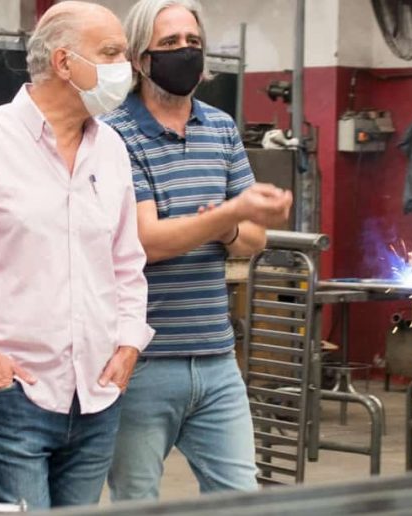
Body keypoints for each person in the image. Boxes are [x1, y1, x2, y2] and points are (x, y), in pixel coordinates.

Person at [0, 2, 154, 509]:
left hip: (96, 396)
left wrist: (129, 344)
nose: (126, 67)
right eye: (111, 52)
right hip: (10, 396)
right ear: (64, 62)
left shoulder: (111, 149)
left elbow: (125, 262)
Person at [101, 0, 293, 500]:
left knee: (240, 497)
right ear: (139, 58)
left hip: (216, 358)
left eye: (193, 42)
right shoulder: (115, 134)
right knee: (137, 502)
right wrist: (229, 216)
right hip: (142, 360)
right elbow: (146, 242)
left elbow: (254, 240)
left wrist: (225, 227)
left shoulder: (221, 127)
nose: (184, 52)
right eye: (169, 43)